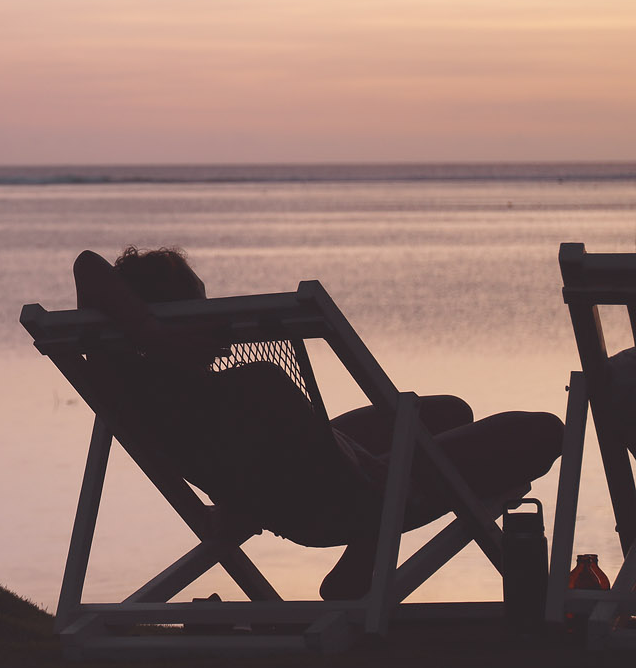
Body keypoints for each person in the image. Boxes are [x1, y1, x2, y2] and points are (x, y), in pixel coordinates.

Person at [74, 245, 561, 601]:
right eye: (204, 312)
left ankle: (355, 576)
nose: (217, 331)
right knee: (543, 430)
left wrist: (150, 335)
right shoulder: (250, 388)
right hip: (361, 496)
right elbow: (88, 263)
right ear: (178, 317)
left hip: (286, 489)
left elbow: (87, 268)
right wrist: (164, 337)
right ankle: (360, 574)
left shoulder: (130, 385)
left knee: (448, 412)